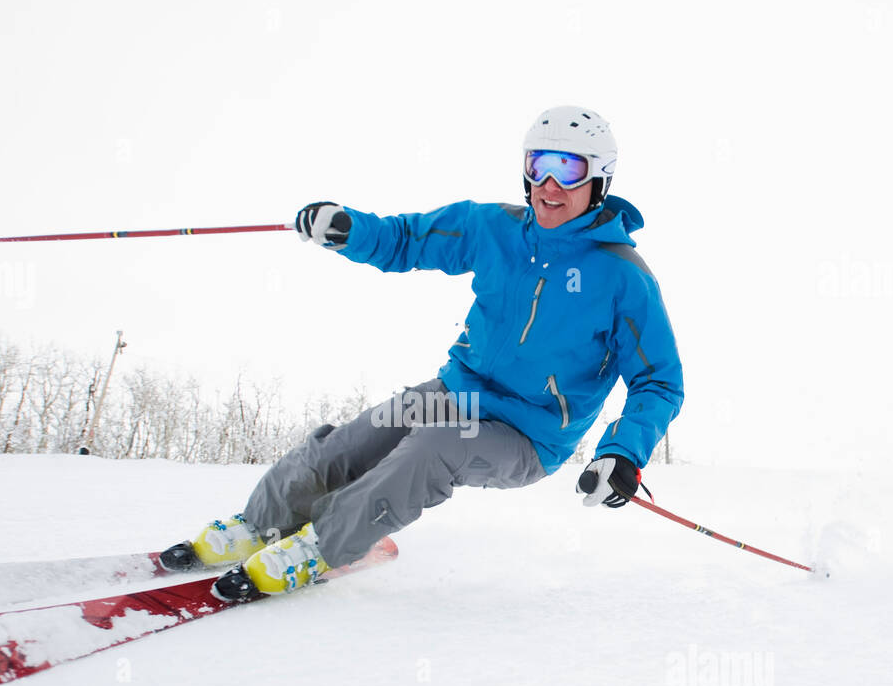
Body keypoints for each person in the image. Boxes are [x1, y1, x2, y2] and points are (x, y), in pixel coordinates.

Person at [180, 106, 683, 596]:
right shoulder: (494, 228)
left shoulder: (623, 276)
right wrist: (348, 229)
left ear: (599, 180)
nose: (550, 185)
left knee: (431, 449)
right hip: (457, 392)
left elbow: (658, 381)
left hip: (530, 434)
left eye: (568, 169)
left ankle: (318, 548)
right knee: (357, 439)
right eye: (539, 165)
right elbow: (406, 239)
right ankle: (262, 522)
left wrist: (622, 452)